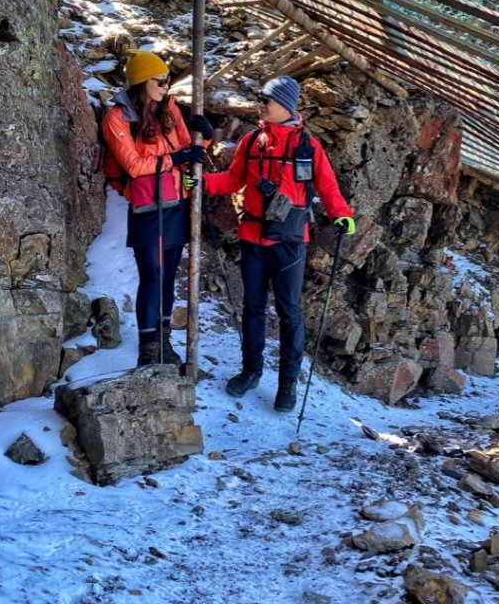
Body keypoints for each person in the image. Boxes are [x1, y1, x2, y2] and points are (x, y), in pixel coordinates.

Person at [204, 75, 356, 412]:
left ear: (285, 105)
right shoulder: (251, 141)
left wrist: (342, 214)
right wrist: (203, 182)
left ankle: (287, 384)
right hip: (253, 238)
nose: (260, 104)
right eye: (260, 99)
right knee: (253, 307)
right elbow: (233, 179)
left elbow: (328, 187)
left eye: (266, 100)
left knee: (290, 312)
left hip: (289, 241)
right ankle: (251, 371)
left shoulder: (307, 146)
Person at [102, 50, 213, 367]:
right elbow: (134, 166)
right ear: (141, 82)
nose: (166, 86)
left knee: (168, 277)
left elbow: (187, 150)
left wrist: (204, 139)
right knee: (153, 275)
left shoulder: (169, 109)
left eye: (167, 81)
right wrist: (175, 159)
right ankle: (149, 347)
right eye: (160, 81)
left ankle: (164, 342)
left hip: (176, 201)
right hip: (146, 207)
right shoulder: (117, 119)